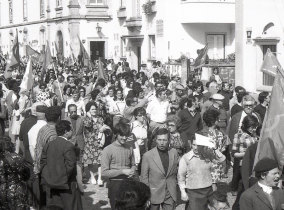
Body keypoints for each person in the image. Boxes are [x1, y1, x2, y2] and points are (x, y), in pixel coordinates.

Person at [40, 120, 83, 210]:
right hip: (67, 184)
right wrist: (62, 178)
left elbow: (43, 163)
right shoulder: (68, 145)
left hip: (51, 184)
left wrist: (49, 177)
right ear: (66, 132)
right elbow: (70, 165)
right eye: (71, 129)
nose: (72, 131)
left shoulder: (48, 145)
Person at [178, 134, 225, 210]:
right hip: (193, 192)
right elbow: (181, 177)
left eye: (198, 145)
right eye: (194, 145)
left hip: (208, 191)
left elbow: (222, 159)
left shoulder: (208, 155)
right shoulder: (186, 157)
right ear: (191, 144)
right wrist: (183, 192)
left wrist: (215, 148)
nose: (196, 148)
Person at [141, 128, 179, 210]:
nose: (162, 143)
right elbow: (144, 178)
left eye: (164, 140)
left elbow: (176, 172)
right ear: (155, 140)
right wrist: (146, 196)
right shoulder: (147, 156)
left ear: (169, 140)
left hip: (170, 193)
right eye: (159, 140)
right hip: (153, 193)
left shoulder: (174, 152)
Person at [101, 122, 136, 209]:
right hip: (115, 185)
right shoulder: (108, 150)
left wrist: (133, 170)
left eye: (126, 135)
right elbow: (104, 173)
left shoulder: (130, 147)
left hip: (129, 184)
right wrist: (122, 171)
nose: (124, 138)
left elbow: (133, 164)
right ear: (116, 134)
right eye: (122, 135)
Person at [231, 115, 259, 209]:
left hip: (253, 165)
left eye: (255, 127)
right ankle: (236, 207)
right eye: (252, 127)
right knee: (243, 189)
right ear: (246, 125)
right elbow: (234, 154)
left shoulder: (254, 135)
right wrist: (247, 153)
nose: (254, 129)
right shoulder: (238, 135)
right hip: (243, 166)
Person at [0, 136, 30, 210]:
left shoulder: (2, 159)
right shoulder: (18, 158)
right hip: (18, 189)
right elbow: (27, 174)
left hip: (3, 191)